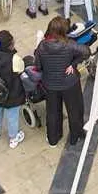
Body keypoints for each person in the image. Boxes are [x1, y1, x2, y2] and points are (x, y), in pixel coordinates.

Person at [33, 15, 89, 147]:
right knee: (74, 110)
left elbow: (38, 66)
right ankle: (75, 136)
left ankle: (53, 138)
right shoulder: (69, 44)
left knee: (52, 112)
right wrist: (73, 64)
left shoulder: (41, 46)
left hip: (50, 84)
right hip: (70, 83)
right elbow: (86, 52)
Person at [0, 30, 26, 148]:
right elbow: (21, 69)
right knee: (12, 116)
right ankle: (13, 138)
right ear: (9, 45)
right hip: (12, 93)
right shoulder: (14, 59)